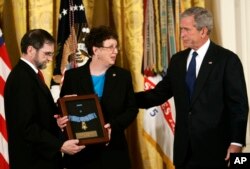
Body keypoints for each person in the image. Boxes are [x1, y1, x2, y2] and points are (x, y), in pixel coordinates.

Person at [135, 7, 249, 169]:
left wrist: (236, 143)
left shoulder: (227, 60)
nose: (181, 34)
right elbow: (158, 94)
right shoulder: (178, 61)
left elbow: (239, 105)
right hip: (184, 151)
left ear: (203, 31)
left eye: (186, 30)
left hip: (217, 151)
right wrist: (126, 98)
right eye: (181, 29)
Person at [59, 25, 138, 169]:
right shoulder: (73, 77)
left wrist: (113, 126)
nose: (115, 51)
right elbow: (63, 109)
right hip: (82, 154)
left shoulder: (123, 76)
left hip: (114, 152)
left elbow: (131, 109)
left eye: (116, 47)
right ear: (95, 50)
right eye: (110, 47)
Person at [4, 29, 85, 169]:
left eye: (52, 54)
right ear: (30, 50)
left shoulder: (30, 75)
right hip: (33, 162)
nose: (50, 59)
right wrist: (59, 145)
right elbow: (27, 127)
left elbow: (37, 112)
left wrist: (61, 108)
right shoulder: (22, 78)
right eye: (47, 53)